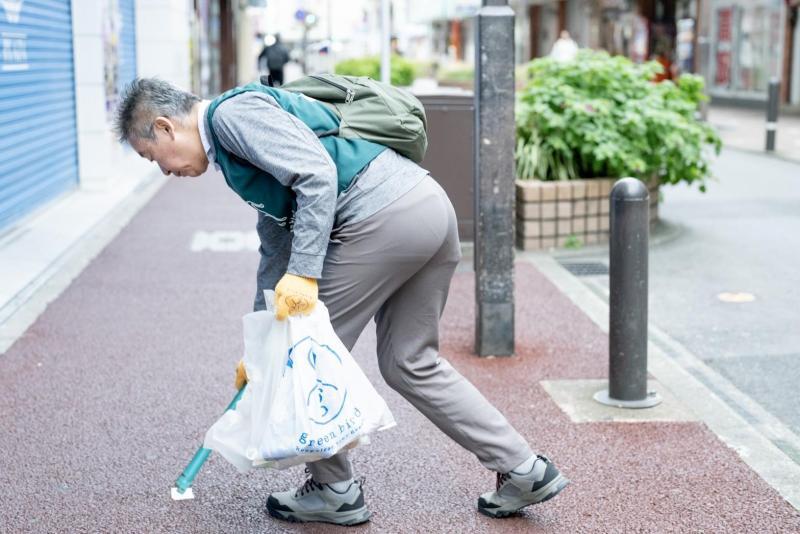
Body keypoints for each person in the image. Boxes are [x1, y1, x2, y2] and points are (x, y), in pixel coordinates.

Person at [114, 77, 569, 526]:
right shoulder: (234, 146)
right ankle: (523, 468)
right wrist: (259, 343)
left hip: (379, 218)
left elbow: (317, 175)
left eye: (151, 156)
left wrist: (303, 280)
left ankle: (333, 490)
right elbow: (276, 240)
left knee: (304, 358)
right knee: (410, 361)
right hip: (427, 208)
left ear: (166, 127)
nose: (163, 170)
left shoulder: (231, 117)